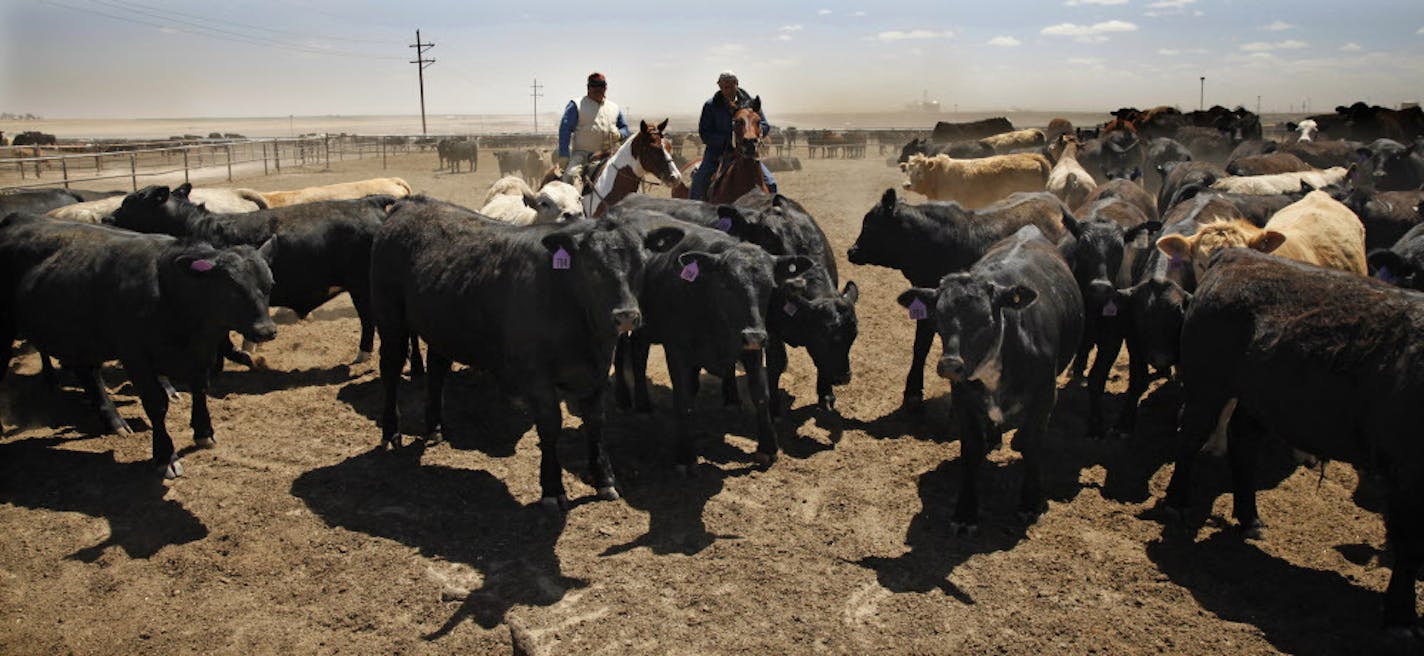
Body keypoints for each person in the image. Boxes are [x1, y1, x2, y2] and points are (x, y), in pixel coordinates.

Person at [690, 70, 777, 201]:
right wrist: (726, 141)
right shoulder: (711, 106)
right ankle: (694, 213)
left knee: (770, 182)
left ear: (736, 84)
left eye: (730, 86)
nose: (727, 90)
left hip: (748, 151)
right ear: (719, 86)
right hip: (718, 152)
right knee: (699, 181)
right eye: (724, 87)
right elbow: (705, 133)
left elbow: (764, 124)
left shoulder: (751, 103)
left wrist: (754, 135)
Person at [557, 72, 631, 185]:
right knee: (570, 176)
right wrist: (564, 155)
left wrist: (620, 134)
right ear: (588, 87)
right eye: (594, 85)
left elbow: (625, 129)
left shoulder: (614, 108)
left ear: (605, 87)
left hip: (610, 154)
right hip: (583, 155)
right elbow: (564, 129)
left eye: (601, 85)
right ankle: (575, 203)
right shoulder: (576, 105)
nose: (598, 89)